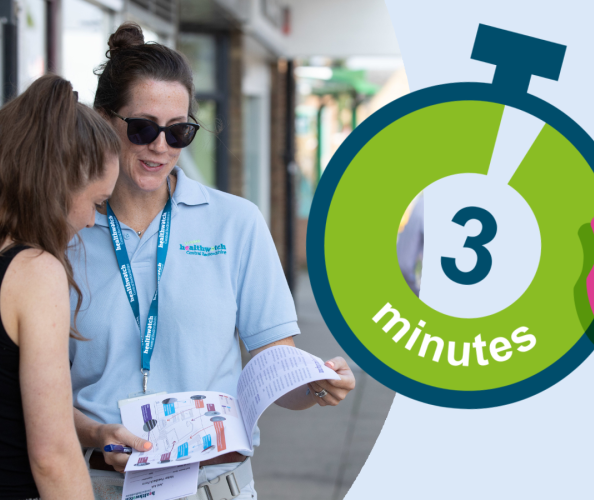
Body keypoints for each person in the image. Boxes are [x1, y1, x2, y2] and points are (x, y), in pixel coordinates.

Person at [68, 23, 356, 499]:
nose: (161, 146)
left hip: (213, 486)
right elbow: (38, 389)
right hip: (98, 485)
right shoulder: (66, 232)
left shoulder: (235, 222)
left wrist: (316, 387)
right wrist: (94, 434)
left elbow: (272, 370)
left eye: (179, 131)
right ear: (104, 120)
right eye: (142, 128)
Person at [0, 75, 120, 499]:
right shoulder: (34, 270)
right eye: (96, 202)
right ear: (56, 185)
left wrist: (95, 430)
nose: (91, 221)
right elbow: (51, 456)